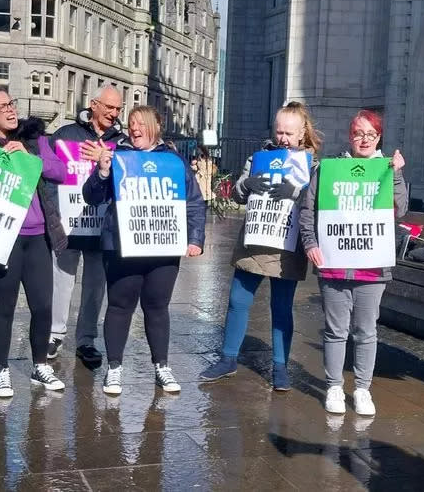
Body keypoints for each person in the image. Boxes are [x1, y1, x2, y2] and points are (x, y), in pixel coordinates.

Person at [83, 105, 206, 395]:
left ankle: (162, 366)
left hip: (163, 247)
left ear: (155, 127)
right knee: (120, 306)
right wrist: (102, 171)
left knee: (157, 307)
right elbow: (91, 197)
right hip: (123, 247)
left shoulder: (174, 161)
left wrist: (195, 239)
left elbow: (194, 202)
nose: (135, 128)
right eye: (131, 123)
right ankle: (114, 368)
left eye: (141, 123)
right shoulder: (118, 157)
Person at [199, 102, 321, 390]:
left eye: (289, 133)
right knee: (238, 301)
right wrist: (246, 185)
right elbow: (238, 195)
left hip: (286, 244)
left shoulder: (312, 166)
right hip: (255, 238)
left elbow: (317, 205)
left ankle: (280, 366)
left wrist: (299, 192)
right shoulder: (258, 158)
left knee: (281, 307)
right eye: (279, 131)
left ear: (302, 132)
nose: (282, 138)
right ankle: (228, 358)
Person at [0, 82, 68, 397]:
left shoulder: (34, 139)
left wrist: (29, 158)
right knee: (4, 306)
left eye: (11, 103)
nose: (10, 110)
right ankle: (1, 370)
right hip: (1, 238)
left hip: (38, 237)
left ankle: (40, 366)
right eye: (2, 106)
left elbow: (60, 172)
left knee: (44, 306)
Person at [299, 109, 407, 416]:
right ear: (350, 135)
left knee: (366, 331)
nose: (364, 139)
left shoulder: (387, 169)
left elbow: (399, 209)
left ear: (379, 138)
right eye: (358, 133)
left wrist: (396, 174)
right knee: (335, 330)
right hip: (334, 263)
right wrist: (311, 243)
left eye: (370, 134)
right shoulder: (329, 169)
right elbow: (309, 210)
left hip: (372, 266)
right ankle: (334, 386)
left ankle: (362, 389)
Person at [47, 85, 127, 366]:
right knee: (62, 279)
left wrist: (107, 160)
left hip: (103, 223)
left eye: (118, 109)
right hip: (68, 221)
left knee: (95, 284)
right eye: (109, 107)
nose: (114, 113)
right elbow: (47, 172)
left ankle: (86, 340)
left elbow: (131, 175)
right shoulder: (66, 134)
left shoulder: (123, 140)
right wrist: (52, 214)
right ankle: (54, 334)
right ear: (93, 104)